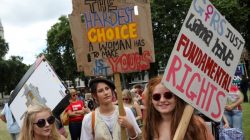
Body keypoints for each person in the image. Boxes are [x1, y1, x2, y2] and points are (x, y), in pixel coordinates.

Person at [143, 76, 214, 140]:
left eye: (168, 95)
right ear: (151, 101)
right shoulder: (150, 124)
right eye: (156, 97)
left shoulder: (195, 123)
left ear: (176, 98)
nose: (162, 100)